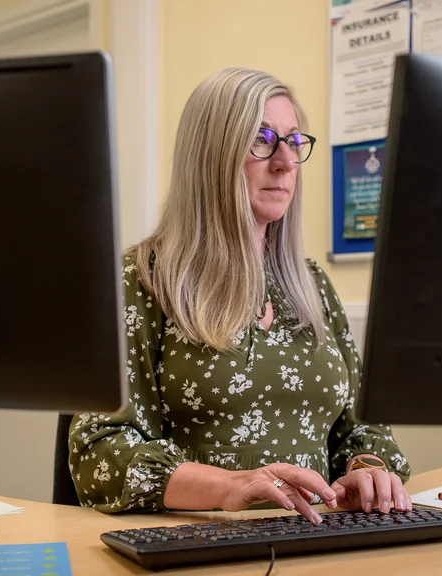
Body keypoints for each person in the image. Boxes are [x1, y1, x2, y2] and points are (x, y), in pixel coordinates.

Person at [68, 67, 411, 524]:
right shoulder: (143, 278)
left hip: (319, 537)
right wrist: (229, 486)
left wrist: (367, 471)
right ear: (210, 155)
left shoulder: (311, 283)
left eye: (292, 140)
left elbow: (362, 425)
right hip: (198, 541)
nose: (285, 161)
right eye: (262, 139)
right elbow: (99, 453)